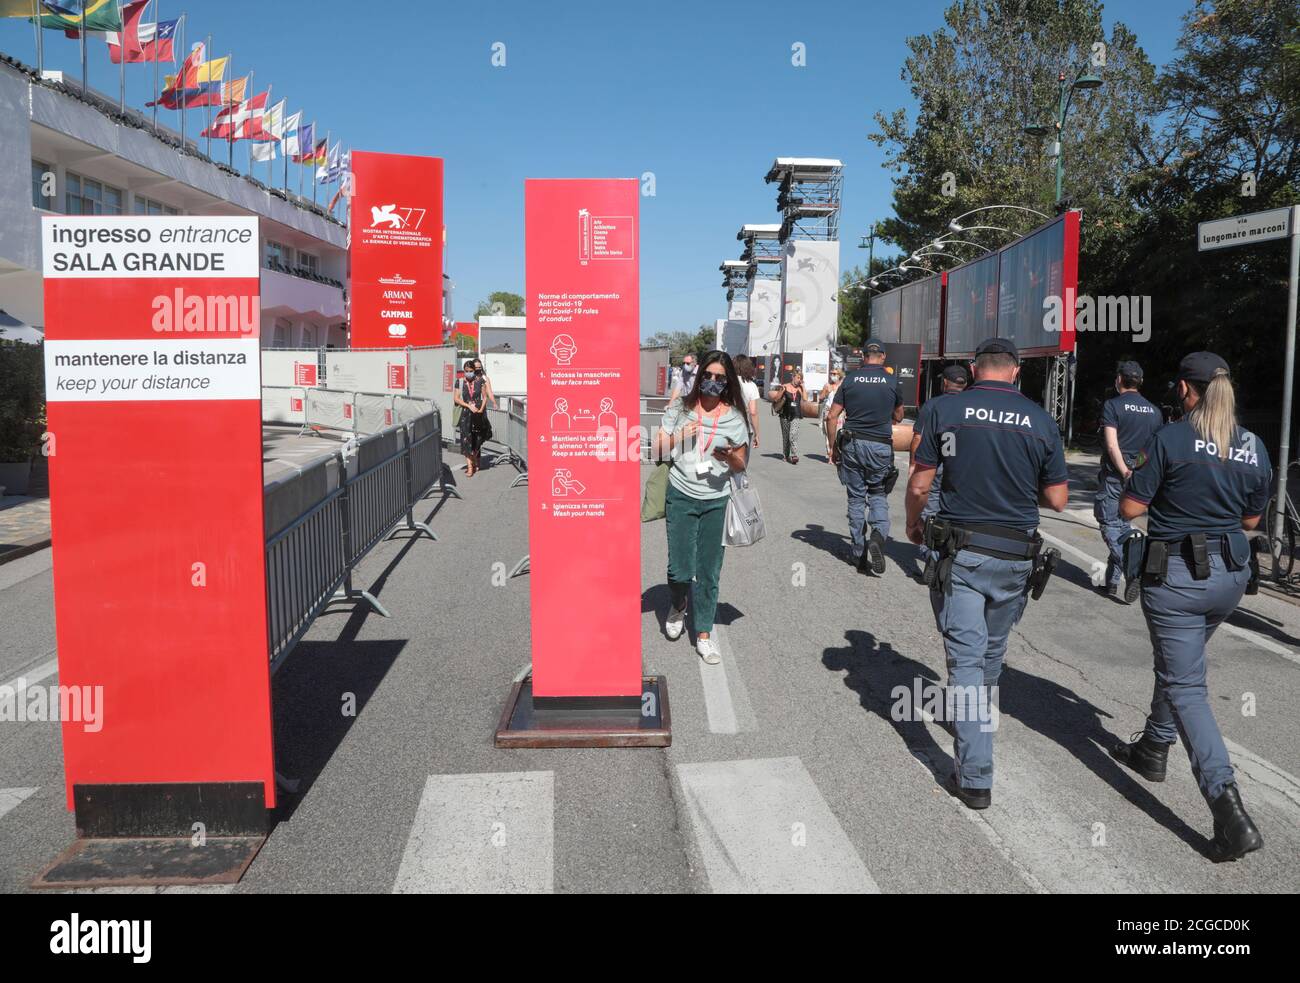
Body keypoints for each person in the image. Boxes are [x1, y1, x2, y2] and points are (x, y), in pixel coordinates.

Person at [1111, 352, 1271, 862]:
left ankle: (1228, 811)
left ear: (1184, 389)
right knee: (1180, 665)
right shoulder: (1252, 445)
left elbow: (1131, 508)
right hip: (1230, 578)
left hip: (1177, 577)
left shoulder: (1171, 438)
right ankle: (1154, 746)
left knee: (1186, 685)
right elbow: (1250, 520)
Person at [905, 337, 1068, 810]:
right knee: (990, 654)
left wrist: (913, 523)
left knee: (967, 662)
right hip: (1017, 557)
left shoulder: (946, 410)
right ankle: (973, 716)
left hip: (963, 553)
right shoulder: (1041, 421)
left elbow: (920, 481)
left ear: (976, 370)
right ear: (1016, 372)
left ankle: (975, 776)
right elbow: (1058, 499)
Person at [655, 350, 751, 665]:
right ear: (699, 377)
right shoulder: (681, 408)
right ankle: (679, 603)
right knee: (680, 568)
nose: (711, 382)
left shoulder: (735, 417)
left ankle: (705, 633)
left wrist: (729, 457)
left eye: (719, 378)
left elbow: (742, 464)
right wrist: (679, 436)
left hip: (716, 500)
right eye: (707, 376)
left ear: (727, 382)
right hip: (681, 495)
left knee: (709, 570)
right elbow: (655, 449)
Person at [826, 339, 903, 573]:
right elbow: (899, 416)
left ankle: (858, 552)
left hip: (852, 443)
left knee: (856, 498)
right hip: (880, 445)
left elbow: (831, 416)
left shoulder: (850, 380)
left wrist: (832, 447)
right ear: (883, 357)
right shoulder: (891, 381)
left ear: (863, 357)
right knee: (878, 494)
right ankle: (879, 536)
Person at [1095, 360, 1161, 602]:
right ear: (1140, 382)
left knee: (1109, 524)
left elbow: (1112, 444)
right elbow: (1153, 448)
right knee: (1123, 528)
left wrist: (1124, 470)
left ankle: (1134, 571)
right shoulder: (1154, 411)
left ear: (1119, 380)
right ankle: (1111, 582)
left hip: (1116, 476)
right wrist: (1138, 470)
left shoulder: (1112, 406)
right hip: (1140, 477)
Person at [910, 363, 970, 567]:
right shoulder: (973, 406)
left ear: (945, 382)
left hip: (935, 464)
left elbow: (918, 437)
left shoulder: (933, 405)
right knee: (957, 509)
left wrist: (914, 464)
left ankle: (931, 554)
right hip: (963, 467)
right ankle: (950, 552)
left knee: (931, 508)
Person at [455, 360, 490, 476]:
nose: (468, 373)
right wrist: (468, 405)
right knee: (466, 441)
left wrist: (481, 409)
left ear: (474, 371)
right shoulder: (459, 382)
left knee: (477, 441)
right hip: (466, 415)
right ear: (464, 371)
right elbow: (456, 398)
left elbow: (485, 397)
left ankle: (475, 460)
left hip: (477, 415)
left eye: (471, 371)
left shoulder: (480, 381)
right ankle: (470, 467)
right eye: (466, 371)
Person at [769, 369, 807, 464]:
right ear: (793, 377)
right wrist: (782, 391)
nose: (799, 380)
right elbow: (776, 399)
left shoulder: (799, 389)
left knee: (793, 434)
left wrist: (803, 387)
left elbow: (805, 399)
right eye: (798, 377)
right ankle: (786, 455)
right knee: (786, 436)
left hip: (796, 415)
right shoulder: (785, 386)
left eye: (800, 378)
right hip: (785, 414)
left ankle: (794, 455)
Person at [734, 354, 761, 449]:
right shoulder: (751, 385)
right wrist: (757, 433)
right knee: (741, 462)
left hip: (726, 427)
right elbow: (753, 412)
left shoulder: (727, 382)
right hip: (744, 428)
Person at [818, 367, 845, 459]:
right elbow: (820, 398)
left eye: (834, 374)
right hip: (828, 410)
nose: (832, 375)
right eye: (831, 373)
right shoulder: (827, 385)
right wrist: (825, 392)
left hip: (840, 412)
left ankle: (837, 453)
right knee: (828, 434)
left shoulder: (842, 386)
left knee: (839, 433)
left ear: (839, 375)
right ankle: (830, 455)